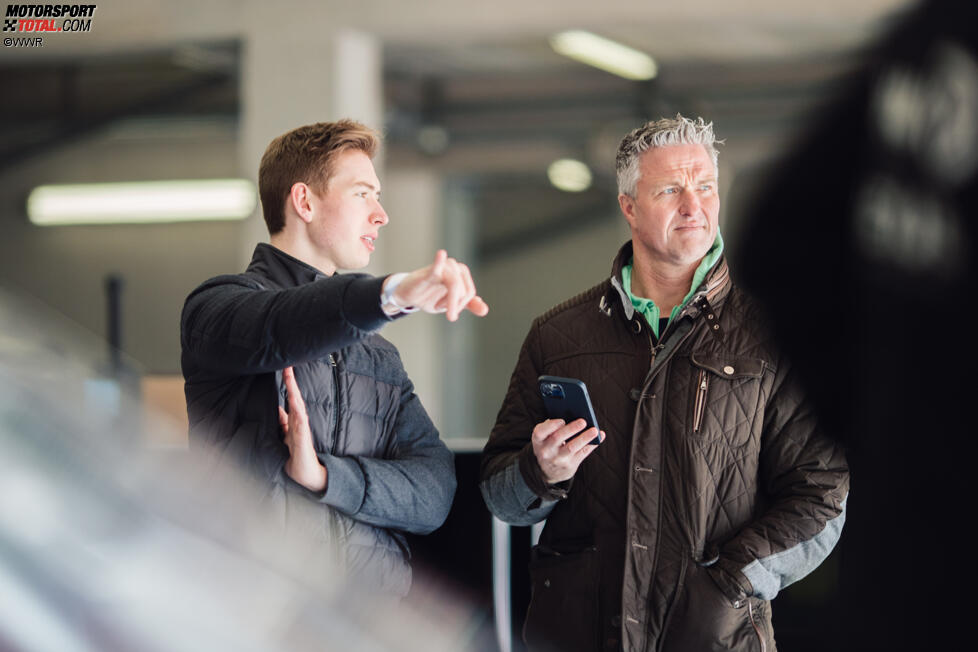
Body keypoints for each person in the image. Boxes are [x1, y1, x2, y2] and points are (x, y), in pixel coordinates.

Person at [479, 115, 849, 652]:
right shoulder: (558, 335)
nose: (693, 206)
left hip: (715, 636)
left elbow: (823, 499)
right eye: (671, 189)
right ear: (629, 206)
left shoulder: (773, 332)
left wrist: (731, 585)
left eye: (704, 188)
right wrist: (539, 473)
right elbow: (500, 495)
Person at [181, 119, 488, 597]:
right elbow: (281, 323)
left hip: (366, 623)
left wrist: (325, 477)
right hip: (260, 617)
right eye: (363, 194)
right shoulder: (218, 309)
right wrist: (391, 293)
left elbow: (433, 493)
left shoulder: (380, 357)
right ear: (304, 202)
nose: (381, 215)